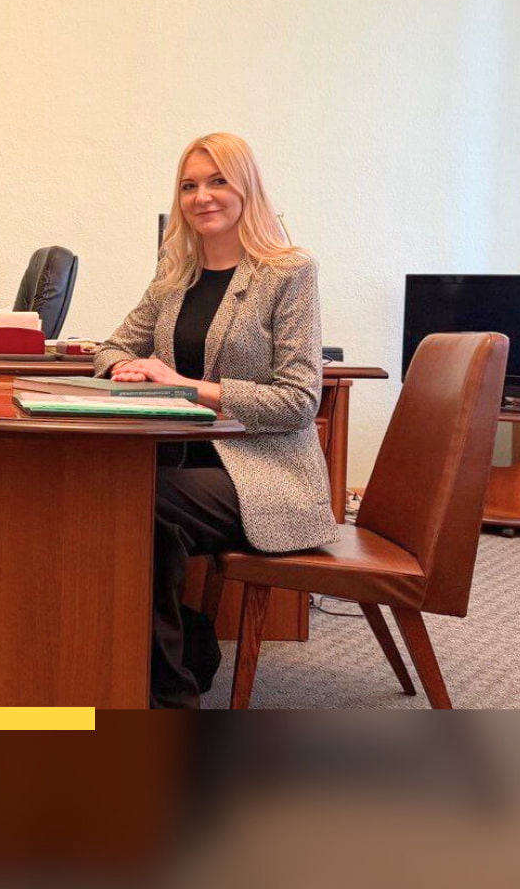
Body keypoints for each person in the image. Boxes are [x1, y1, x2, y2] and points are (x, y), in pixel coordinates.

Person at [93, 132, 338, 708]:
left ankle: (169, 697)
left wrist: (188, 387)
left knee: (136, 501)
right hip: (184, 463)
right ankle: (183, 655)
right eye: (189, 186)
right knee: (119, 496)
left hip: (267, 476)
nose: (202, 197)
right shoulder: (175, 274)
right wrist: (126, 366)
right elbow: (111, 346)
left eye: (218, 181)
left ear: (247, 188)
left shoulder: (288, 271)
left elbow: (299, 400)